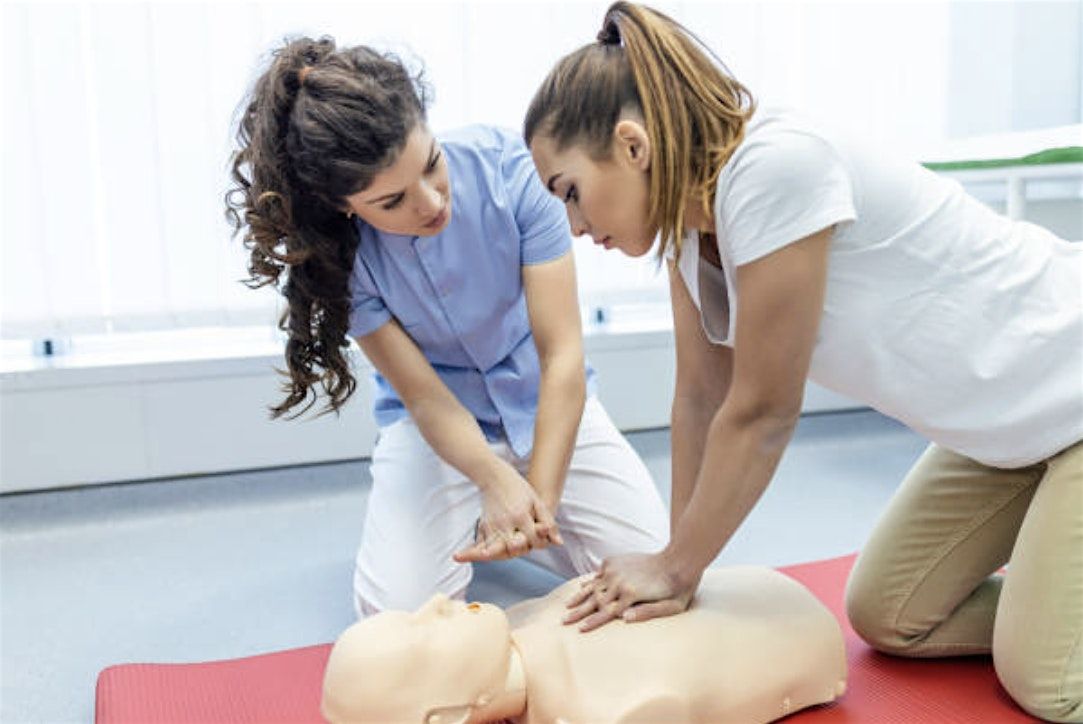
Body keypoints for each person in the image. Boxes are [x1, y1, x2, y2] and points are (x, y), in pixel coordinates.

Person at [521, 3, 1083, 721]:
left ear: (632, 146)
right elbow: (699, 398)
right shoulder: (686, 233)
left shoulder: (772, 167)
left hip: (1068, 384)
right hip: (1008, 433)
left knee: (1045, 679)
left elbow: (761, 412)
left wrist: (675, 567)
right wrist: (678, 565)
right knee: (892, 615)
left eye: (569, 190)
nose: (572, 225)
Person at [225, 36, 668, 618]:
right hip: (437, 426)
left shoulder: (514, 172)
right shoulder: (339, 257)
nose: (432, 201)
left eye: (432, 164)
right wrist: (491, 477)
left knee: (652, 570)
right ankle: (484, 517)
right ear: (345, 207)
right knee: (397, 620)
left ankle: (516, 530)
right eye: (393, 200)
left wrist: (539, 500)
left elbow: (561, 355)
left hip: (547, 402)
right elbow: (426, 399)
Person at [320, 566, 847, 723]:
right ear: (447, 715)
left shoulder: (525, 621)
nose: (435, 601)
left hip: (782, 614)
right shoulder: (606, 709)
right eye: (422, 631)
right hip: (788, 621)